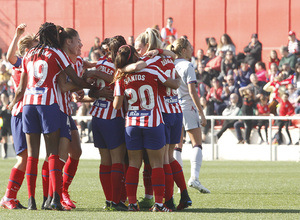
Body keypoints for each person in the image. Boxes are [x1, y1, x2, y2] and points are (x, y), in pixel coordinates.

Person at [9, 22, 93, 211]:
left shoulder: (29, 54)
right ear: (53, 36)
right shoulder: (57, 53)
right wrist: (92, 88)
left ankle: (32, 201)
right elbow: (73, 78)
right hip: (48, 105)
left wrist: (14, 103)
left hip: (29, 105)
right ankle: (54, 199)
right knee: (53, 153)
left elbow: (22, 88)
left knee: (32, 156)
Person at [113, 45, 179, 212]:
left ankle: (132, 204)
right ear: (135, 55)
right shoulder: (152, 69)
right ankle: (158, 204)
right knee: (157, 164)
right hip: (153, 122)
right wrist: (177, 77)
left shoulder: (121, 76)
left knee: (134, 164)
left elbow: (117, 105)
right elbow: (174, 85)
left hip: (132, 124)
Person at [88, 35, 128, 211]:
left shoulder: (100, 63)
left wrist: (97, 93)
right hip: (113, 116)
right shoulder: (122, 68)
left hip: (97, 115)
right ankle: (116, 201)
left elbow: (88, 88)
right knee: (118, 160)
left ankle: (109, 200)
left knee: (105, 161)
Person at [0, 23, 37, 210]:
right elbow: (9, 57)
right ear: (28, 49)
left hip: (29, 111)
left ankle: (11, 197)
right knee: (23, 157)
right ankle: (8, 197)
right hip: (20, 112)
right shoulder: (23, 62)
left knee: (29, 157)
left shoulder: (33, 62)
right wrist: (16, 35)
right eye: (36, 44)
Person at [171, 37, 210, 194]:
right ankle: (194, 178)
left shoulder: (171, 65)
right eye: (189, 46)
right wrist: (201, 112)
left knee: (177, 146)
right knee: (197, 144)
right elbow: (192, 91)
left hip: (173, 107)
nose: (193, 48)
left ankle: (180, 183)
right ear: (183, 50)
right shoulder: (188, 65)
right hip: (187, 107)